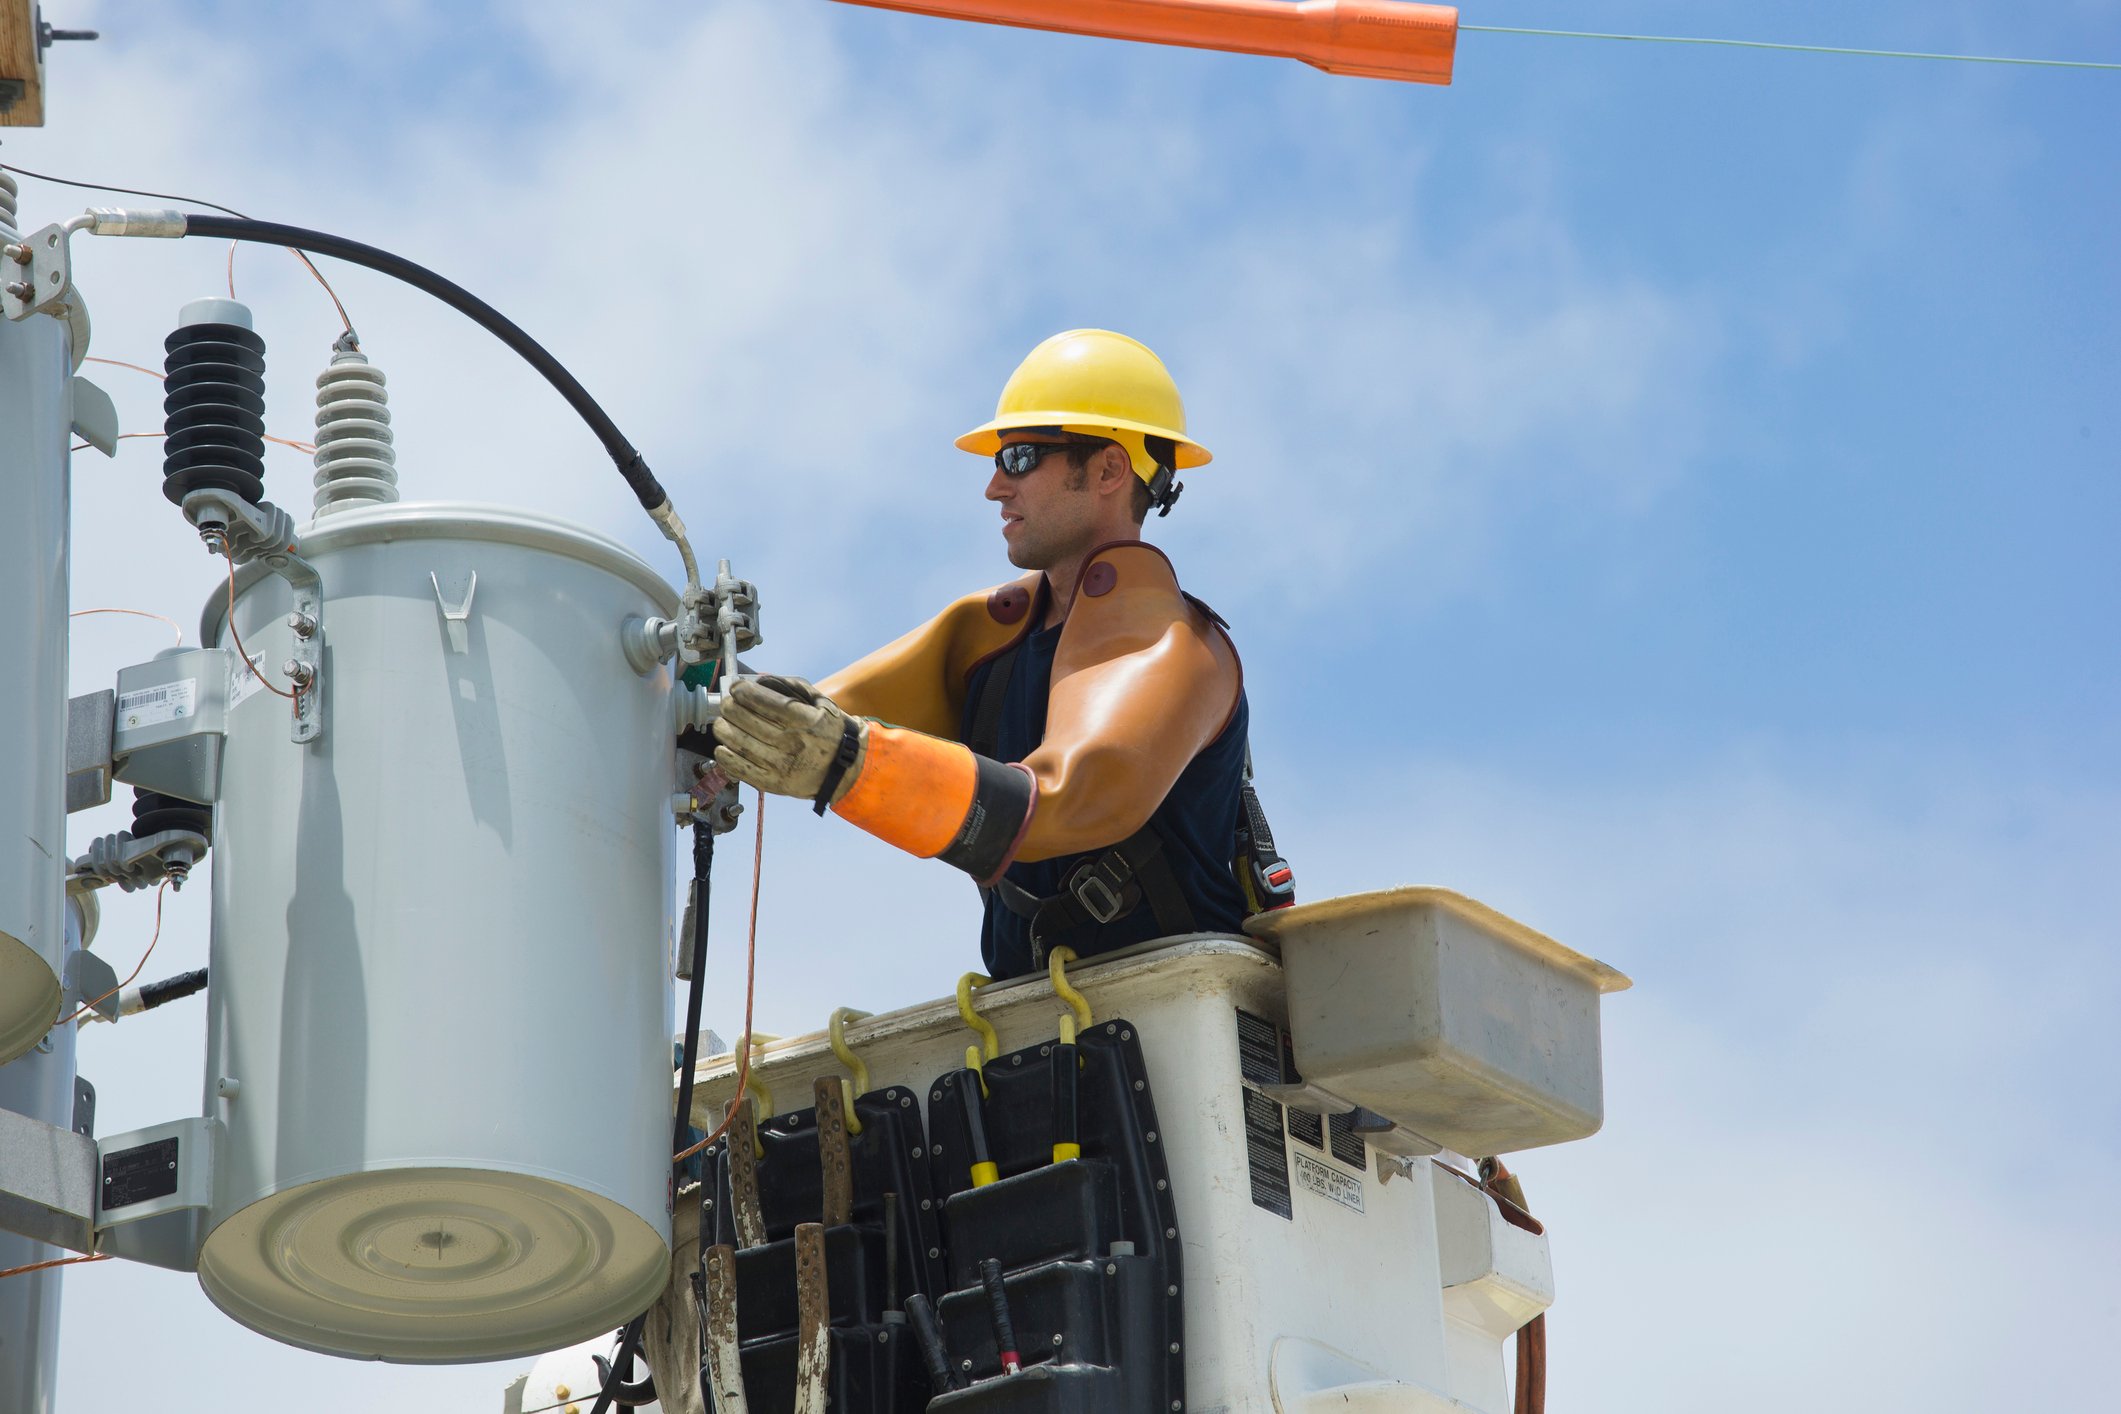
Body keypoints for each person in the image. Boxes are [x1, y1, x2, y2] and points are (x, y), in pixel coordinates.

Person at [713, 329, 1289, 980]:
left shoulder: (1175, 650)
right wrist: (708, 696)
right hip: (1039, 1027)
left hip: (1180, 1033)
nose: (993, 486)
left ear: (1107, 470)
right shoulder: (991, 632)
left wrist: (849, 764)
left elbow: (1067, 798)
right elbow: (809, 716)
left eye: (1018, 457)